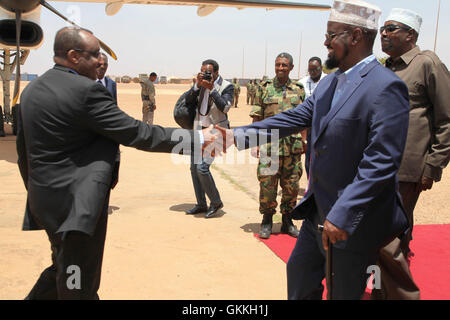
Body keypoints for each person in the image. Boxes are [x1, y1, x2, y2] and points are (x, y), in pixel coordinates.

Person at [208, 0, 410, 299]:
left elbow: (381, 162)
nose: (325, 42)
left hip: (352, 220)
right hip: (318, 210)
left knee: (344, 292)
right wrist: (234, 136)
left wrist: (343, 214)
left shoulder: (385, 86)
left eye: (332, 35)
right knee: (300, 278)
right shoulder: (330, 83)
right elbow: (293, 119)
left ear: (355, 37)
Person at [16, 27, 200, 299]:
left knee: (64, 267)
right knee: (79, 284)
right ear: (74, 56)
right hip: (75, 210)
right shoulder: (85, 91)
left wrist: (39, 193)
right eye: (95, 55)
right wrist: (198, 140)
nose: (101, 61)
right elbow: (139, 133)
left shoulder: (32, 90)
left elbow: (23, 153)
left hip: (45, 202)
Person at [371, 8, 450, 300]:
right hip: (377, 166)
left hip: (407, 167)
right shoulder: (383, 67)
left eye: (391, 29)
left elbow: (447, 118)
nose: (384, 34)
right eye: (383, 29)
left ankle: (399, 294)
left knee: (392, 237)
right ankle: (381, 291)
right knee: (380, 235)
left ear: (410, 35)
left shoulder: (427, 63)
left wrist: (432, 166)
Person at [250, 52, 305, 239]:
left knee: (291, 185)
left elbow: (306, 119)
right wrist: (255, 143)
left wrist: (304, 140)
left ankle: (287, 221)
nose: (280, 68)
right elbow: (257, 116)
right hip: (269, 147)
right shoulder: (264, 88)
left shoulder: (299, 89)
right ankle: (266, 219)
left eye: (284, 65)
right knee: (267, 185)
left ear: (291, 67)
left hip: (292, 146)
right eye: (278, 65)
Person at [184, 59, 234, 218]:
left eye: (208, 72)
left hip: (216, 131)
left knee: (202, 168)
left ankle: (216, 201)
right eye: (202, 71)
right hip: (199, 130)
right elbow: (188, 102)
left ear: (216, 73)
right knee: (193, 168)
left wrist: (212, 89)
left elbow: (225, 107)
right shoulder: (199, 84)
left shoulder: (227, 86)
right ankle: (201, 204)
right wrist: (197, 86)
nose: (205, 74)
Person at [299, 57, 325, 178]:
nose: (313, 72)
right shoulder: (302, 83)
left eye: (316, 69)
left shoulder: (330, 80)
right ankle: (311, 186)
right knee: (309, 158)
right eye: (310, 70)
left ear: (321, 68)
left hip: (325, 126)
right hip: (309, 127)